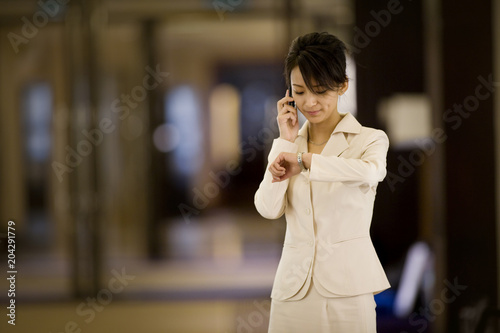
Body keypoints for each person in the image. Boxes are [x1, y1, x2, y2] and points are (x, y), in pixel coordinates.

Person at [254, 32, 390, 332]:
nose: (310, 102)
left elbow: (370, 172)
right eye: (299, 92)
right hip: (292, 291)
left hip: (348, 290)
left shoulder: (369, 139)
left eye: (320, 90)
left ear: (342, 85)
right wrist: (286, 141)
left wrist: (306, 162)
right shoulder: (289, 145)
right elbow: (267, 208)